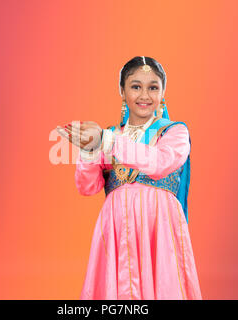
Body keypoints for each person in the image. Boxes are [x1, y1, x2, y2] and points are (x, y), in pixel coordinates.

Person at [56, 56, 202, 300]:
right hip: (117, 225)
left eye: (153, 87)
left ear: (162, 91)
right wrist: (89, 149)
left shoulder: (174, 131)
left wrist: (106, 141)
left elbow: (160, 162)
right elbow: (87, 186)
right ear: (122, 91)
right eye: (136, 86)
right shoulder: (110, 134)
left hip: (159, 225)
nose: (144, 95)